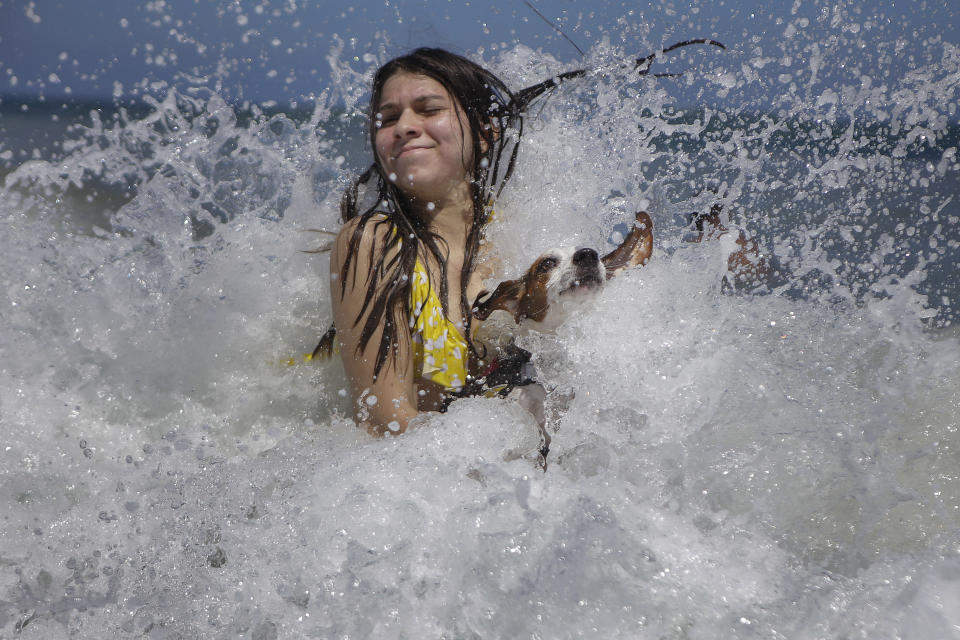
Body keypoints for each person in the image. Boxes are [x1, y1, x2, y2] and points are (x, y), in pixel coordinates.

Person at [328, 48, 522, 436]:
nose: (404, 127)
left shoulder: (524, 236)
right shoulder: (372, 242)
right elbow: (383, 422)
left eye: (428, 110)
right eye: (388, 119)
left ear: (485, 132)